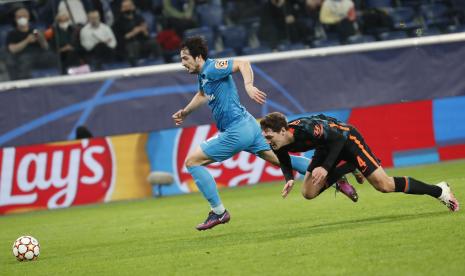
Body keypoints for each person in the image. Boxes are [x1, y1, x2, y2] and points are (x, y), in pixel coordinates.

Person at [172, 37, 359, 231]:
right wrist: (185, 112)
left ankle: (219, 212)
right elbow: (202, 95)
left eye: (185, 58)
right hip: (249, 126)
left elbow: (242, 64)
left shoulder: (212, 68)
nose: (183, 63)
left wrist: (249, 86)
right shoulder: (203, 76)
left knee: (192, 162)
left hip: (237, 130)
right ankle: (336, 175)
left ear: (199, 57)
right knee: (281, 160)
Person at [259, 112, 460, 212]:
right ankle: (347, 170)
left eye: (269, 137)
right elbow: (283, 157)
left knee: (384, 185)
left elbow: (338, 138)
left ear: (283, 131)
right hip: (326, 148)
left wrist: (326, 168)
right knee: (308, 192)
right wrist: (288, 178)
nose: (267, 142)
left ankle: (440, 190)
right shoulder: (281, 143)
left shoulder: (307, 128)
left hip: (348, 141)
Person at [6, 7, 57, 80]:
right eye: (19, 17)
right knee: (25, 60)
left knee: (53, 56)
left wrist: (41, 38)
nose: (22, 18)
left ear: (28, 17)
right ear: (15, 19)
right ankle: (24, 84)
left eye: (24, 16)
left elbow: (45, 47)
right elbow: (13, 49)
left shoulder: (35, 31)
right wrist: (27, 40)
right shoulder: (12, 34)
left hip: (40, 56)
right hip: (23, 57)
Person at [112, 0, 161, 66]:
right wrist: (134, 32)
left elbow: (147, 35)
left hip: (142, 41)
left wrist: (144, 30)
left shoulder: (139, 17)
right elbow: (120, 39)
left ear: (133, 7)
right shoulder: (118, 22)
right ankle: (134, 66)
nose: (128, 8)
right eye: (125, 7)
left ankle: (160, 61)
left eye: (129, 6)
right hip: (128, 44)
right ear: (121, 9)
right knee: (133, 45)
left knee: (153, 42)